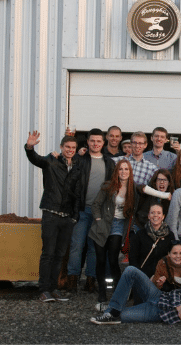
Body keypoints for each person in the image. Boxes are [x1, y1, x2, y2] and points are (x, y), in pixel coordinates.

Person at [24, 130, 82, 302]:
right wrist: (29, 147)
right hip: (51, 214)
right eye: (67, 147)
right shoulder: (52, 161)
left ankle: (54, 288)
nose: (70, 150)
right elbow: (36, 159)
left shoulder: (76, 168)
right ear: (61, 147)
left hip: (67, 217)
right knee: (48, 253)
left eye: (73, 147)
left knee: (59, 254)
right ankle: (44, 290)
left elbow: (77, 194)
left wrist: (74, 217)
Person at [89, 267, 181, 326]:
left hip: (158, 313)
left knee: (123, 317)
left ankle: (111, 310)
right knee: (130, 271)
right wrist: (179, 306)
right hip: (158, 295)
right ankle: (112, 309)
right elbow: (175, 293)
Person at [67, 129, 114, 294]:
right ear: (87, 142)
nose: (95, 144)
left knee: (95, 248)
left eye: (98, 141)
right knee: (76, 246)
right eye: (92, 141)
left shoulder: (109, 163)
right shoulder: (80, 160)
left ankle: (90, 281)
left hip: (99, 213)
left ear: (103, 143)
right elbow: (71, 183)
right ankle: (72, 280)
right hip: (82, 210)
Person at [89, 160, 137, 306]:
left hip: (118, 225)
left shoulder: (132, 189)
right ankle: (102, 293)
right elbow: (95, 204)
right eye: (121, 169)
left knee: (113, 259)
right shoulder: (108, 186)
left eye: (126, 169)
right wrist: (98, 220)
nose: (123, 172)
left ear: (130, 172)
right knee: (101, 260)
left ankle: (118, 292)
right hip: (103, 224)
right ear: (117, 171)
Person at [129, 204, 175, 277]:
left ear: (163, 216)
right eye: (152, 213)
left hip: (162, 277)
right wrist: (138, 275)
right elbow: (133, 258)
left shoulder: (169, 235)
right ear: (148, 216)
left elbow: (172, 259)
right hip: (143, 276)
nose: (155, 215)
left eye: (159, 213)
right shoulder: (140, 235)